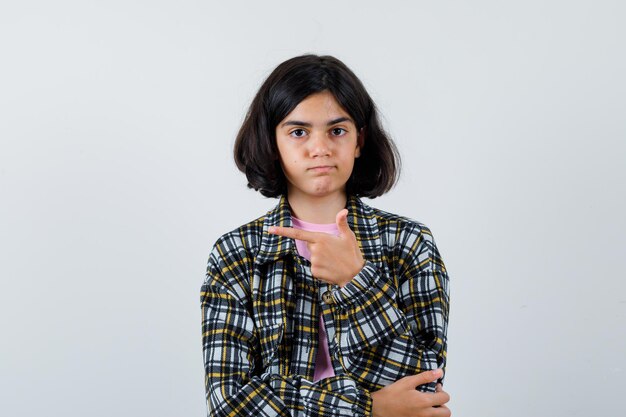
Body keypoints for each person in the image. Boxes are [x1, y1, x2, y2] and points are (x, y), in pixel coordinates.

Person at [201, 54, 451, 417]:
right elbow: (230, 403)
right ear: (272, 142)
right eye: (298, 131)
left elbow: (424, 387)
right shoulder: (236, 254)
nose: (320, 148)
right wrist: (368, 408)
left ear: (359, 140)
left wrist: (357, 281)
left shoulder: (408, 243)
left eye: (337, 130)